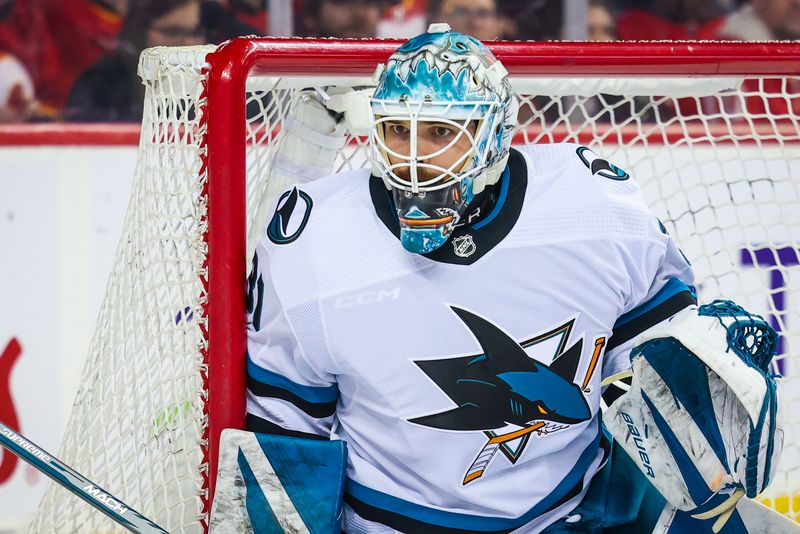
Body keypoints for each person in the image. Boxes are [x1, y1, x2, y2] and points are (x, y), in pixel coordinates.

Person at [245, 25, 784, 533]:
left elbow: (648, 356)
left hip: (574, 512)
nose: (415, 158)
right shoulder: (315, 240)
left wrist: (692, 387)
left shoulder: (593, 206)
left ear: (495, 136)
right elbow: (286, 433)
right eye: (397, 130)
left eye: (440, 131)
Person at [64, 0, 204, 122]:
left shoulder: (205, 87)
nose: (189, 44)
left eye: (195, 33)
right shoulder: (99, 85)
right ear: (137, 33)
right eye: (172, 32)